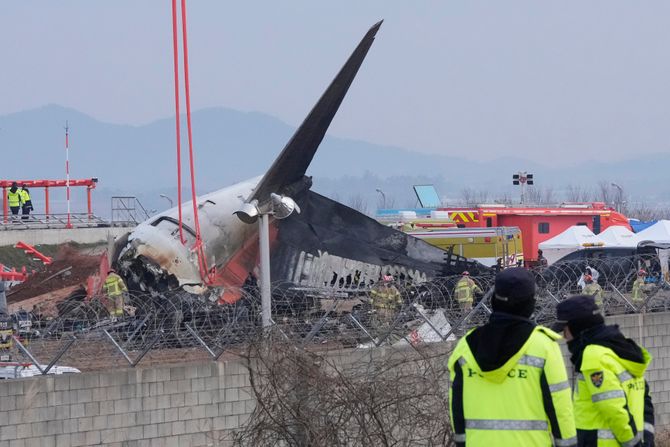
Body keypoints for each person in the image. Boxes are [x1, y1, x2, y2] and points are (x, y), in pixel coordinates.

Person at [448, 268, 577, 446]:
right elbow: (560, 410)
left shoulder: (466, 345)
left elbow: (457, 410)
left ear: (493, 300)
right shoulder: (543, 346)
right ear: (530, 303)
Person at [553, 295, 654, 447]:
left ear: (577, 327)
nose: (564, 336)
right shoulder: (621, 347)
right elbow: (645, 401)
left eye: (565, 330)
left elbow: (613, 408)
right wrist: (646, 440)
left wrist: (632, 444)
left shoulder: (594, 355)